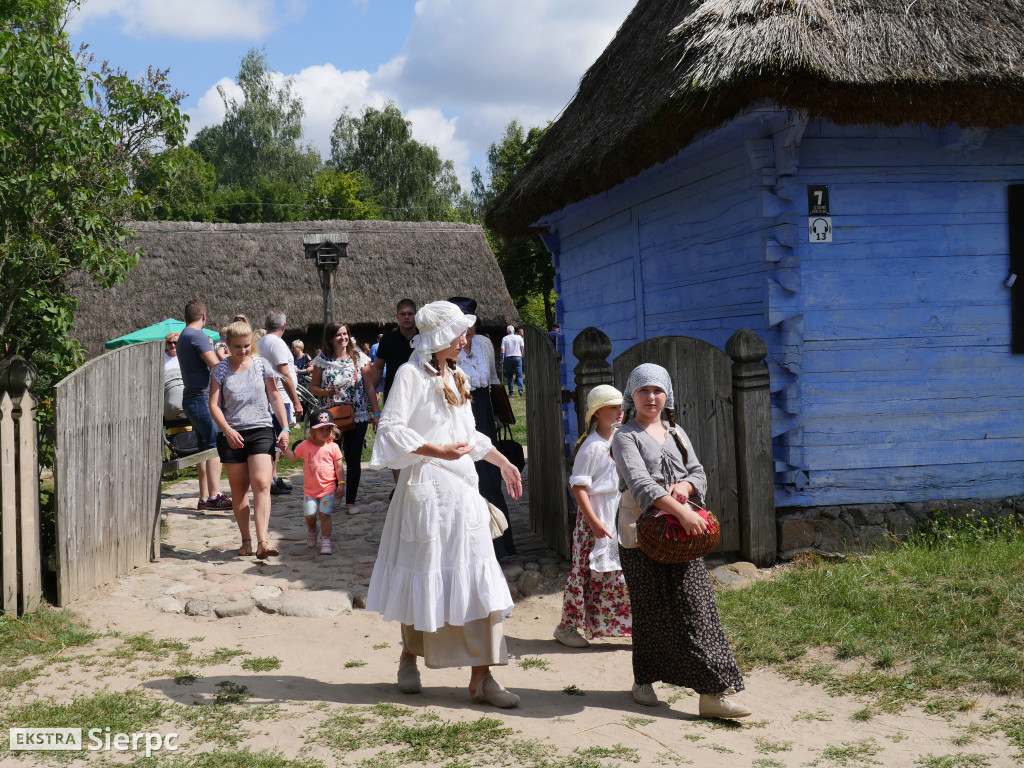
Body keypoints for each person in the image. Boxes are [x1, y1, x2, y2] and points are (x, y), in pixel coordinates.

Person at [367, 300, 523, 708]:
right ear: (438, 338)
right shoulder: (410, 375)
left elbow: (469, 435)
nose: (464, 339)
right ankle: (408, 657)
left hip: (463, 493)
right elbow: (390, 430)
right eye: (457, 333)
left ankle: (483, 677)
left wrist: (503, 461)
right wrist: (435, 450)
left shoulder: (457, 375)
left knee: (478, 578)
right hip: (427, 492)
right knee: (424, 574)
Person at [610, 363, 750, 718]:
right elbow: (640, 484)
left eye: (657, 390)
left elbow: (698, 471)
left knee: (696, 609)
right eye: (643, 390)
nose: (651, 397)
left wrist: (687, 487)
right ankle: (644, 679)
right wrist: (683, 513)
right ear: (632, 395)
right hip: (642, 535)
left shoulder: (677, 432)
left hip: (680, 538)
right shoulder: (624, 436)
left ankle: (712, 693)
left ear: (667, 395)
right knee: (649, 610)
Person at [554, 385, 632, 648]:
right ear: (597, 413)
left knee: (620, 573)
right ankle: (567, 627)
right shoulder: (591, 447)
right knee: (585, 574)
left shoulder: (620, 439)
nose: (620, 411)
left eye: (621, 406)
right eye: (613, 407)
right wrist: (594, 522)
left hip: (616, 514)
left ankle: (625, 626)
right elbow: (578, 486)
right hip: (596, 518)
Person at [209, 320, 290, 559]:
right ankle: (246, 539)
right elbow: (213, 405)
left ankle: (263, 541)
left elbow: (275, 397)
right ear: (228, 344)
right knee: (240, 489)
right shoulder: (220, 370)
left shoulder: (261, 365)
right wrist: (227, 430)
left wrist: (284, 427)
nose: (242, 351)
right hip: (232, 434)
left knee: (262, 483)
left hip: (261, 429)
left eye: (246, 346)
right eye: (237, 347)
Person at [451, 296, 516, 559]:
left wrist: (501, 414)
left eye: (471, 323)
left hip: (485, 415)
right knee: (465, 475)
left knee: (490, 477)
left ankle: (500, 545)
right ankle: (468, 547)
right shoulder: (446, 348)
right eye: (462, 324)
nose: (468, 330)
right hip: (458, 413)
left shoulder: (484, 344)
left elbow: (492, 379)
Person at [310, 321, 379, 515]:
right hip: (331, 418)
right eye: (338, 335)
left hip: (357, 415)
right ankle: (331, 496)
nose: (343, 338)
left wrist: (376, 413)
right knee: (331, 458)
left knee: (353, 458)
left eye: (345, 334)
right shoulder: (321, 361)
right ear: (331, 338)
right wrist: (325, 391)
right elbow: (313, 387)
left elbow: (369, 387)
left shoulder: (359, 358)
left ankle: (351, 501)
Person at [178, 300, 231, 511]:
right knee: (213, 446)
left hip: (190, 398)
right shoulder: (197, 336)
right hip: (201, 398)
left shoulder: (183, 336)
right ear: (204, 316)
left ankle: (204, 496)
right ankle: (215, 495)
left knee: (202, 448)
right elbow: (216, 366)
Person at [365, 298, 418, 483]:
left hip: (419, 396)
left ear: (415, 315)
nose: (407, 317)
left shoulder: (425, 336)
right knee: (396, 441)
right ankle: (400, 487)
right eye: (403, 314)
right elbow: (378, 368)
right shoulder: (388, 339)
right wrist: (371, 397)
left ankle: (416, 482)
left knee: (418, 440)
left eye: (410, 313)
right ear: (397, 317)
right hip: (395, 397)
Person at [283, 407, 344, 556]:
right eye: (321, 429)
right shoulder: (305, 445)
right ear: (312, 431)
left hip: (328, 488)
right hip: (310, 490)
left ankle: (326, 540)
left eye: (328, 428)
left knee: (325, 514)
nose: (325, 431)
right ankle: (312, 530)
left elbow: (339, 467)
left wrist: (341, 483)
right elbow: (294, 458)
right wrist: (284, 450)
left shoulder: (333, 447)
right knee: (310, 515)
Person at [258, 310, 304, 496]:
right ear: (284, 326)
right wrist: (296, 401)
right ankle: (270, 479)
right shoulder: (276, 343)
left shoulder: (261, 341)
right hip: (279, 397)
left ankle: (274, 477)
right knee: (278, 440)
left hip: (274, 396)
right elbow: (284, 374)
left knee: (276, 440)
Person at [500, 325, 524, 396]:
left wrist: (502, 359)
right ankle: (520, 390)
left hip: (509, 358)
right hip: (518, 357)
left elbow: (502, 349)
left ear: (507, 331)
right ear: (514, 331)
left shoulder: (505, 338)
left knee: (510, 376)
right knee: (519, 375)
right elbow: (522, 348)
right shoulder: (519, 337)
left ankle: (511, 392)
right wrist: (523, 358)